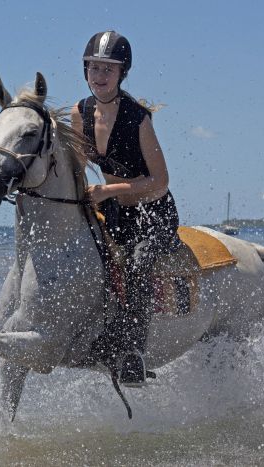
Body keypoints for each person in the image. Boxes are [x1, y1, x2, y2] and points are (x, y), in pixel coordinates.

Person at [71, 30, 180, 386]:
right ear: (85, 70)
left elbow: (160, 180)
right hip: (114, 212)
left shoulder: (138, 118)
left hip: (153, 213)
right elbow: (76, 164)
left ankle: (133, 353)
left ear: (122, 74)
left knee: (138, 261)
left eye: (108, 70)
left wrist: (107, 189)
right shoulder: (80, 112)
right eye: (94, 68)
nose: (100, 77)